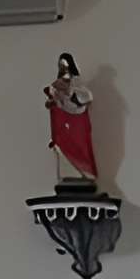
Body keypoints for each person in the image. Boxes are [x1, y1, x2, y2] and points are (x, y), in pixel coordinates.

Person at [45, 53, 100, 192]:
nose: (64, 68)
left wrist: (72, 96)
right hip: (62, 119)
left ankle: (85, 172)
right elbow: (54, 100)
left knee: (80, 143)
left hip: (77, 118)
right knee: (62, 143)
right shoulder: (56, 84)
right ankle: (69, 173)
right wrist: (53, 100)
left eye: (66, 65)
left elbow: (86, 97)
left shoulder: (77, 82)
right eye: (61, 65)